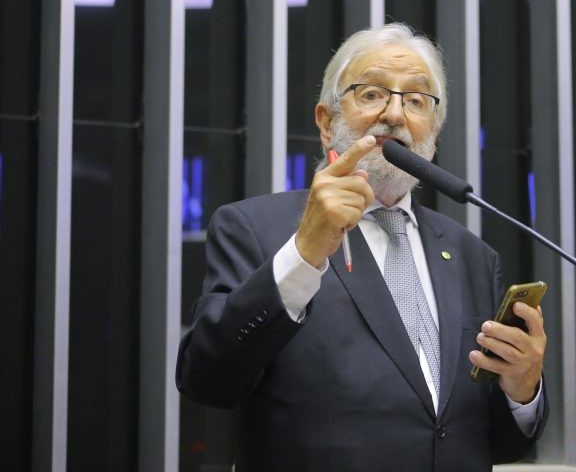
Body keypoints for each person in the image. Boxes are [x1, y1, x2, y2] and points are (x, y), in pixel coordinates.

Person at [176, 23, 548, 472]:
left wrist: (522, 390)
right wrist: (304, 253)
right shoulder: (254, 228)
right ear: (326, 121)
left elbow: (491, 442)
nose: (394, 114)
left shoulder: (471, 255)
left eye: (415, 100)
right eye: (372, 94)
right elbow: (207, 380)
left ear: (434, 134)